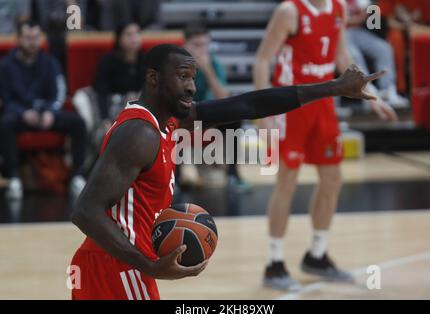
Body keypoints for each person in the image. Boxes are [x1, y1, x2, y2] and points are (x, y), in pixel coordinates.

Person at [70, 43, 387, 300]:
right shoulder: (141, 133)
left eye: (193, 78)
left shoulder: (167, 120)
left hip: (113, 264)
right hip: (116, 269)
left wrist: (333, 87)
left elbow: (248, 106)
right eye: (182, 77)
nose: (192, 87)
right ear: (153, 79)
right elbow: (85, 211)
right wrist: (148, 265)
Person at [253, 0, 397, 291]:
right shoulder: (289, 12)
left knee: (333, 178)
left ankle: (317, 255)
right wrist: (263, 111)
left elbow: (342, 54)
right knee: (287, 181)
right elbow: (262, 60)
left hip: (323, 104)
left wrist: (372, 96)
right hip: (291, 104)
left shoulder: (337, 8)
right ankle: (274, 263)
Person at [0, 20, 87, 200]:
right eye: (28, 38)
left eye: (36, 37)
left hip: (47, 114)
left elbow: (59, 93)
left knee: (77, 122)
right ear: (18, 39)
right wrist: (23, 113)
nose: (32, 42)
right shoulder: (5, 65)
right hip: (20, 115)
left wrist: (50, 112)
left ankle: (77, 174)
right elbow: (5, 99)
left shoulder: (50, 62)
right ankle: (14, 177)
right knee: (5, 124)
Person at [182, 24, 250, 192]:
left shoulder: (213, 63)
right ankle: (175, 180)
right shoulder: (175, 64)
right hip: (181, 116)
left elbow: (223, 96)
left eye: (204, 45)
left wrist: (207, 70)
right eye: (196, 45)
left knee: (234, 117)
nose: (201, 50)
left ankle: (233, 175)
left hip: (205, 117)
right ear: (185, 45)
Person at [346, 0, 409, 108]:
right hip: (340, 33)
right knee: (354, 55)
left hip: (358, 31)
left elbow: (363, 16)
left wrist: (349, 19)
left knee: (384, 48)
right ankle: (367, 91)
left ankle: (388, 90)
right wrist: (350, 20)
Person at [93, 22, 145, 131]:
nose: (134, 38)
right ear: (119, 38)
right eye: (129, 34)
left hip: (137, 107)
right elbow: (101, 92)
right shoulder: (108, 61)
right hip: (112, 105)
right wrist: (105, 118)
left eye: (137, 33)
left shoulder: (146, 59)